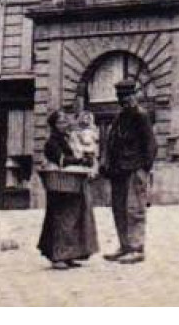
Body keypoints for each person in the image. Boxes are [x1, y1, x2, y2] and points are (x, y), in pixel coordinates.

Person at [102, 80, 156, 264]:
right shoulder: (120, 117)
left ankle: (137, 248)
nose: (125, 101)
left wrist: (143, 168)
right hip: (118, 170)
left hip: (134, 169)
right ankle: (124, 245)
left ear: (134, 96)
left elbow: (151, 145)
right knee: (120, 209)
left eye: (127, 97)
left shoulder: (141, 116)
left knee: (135, 209)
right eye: (121, 98)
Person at [37, 109, 99, 269]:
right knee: (61, 220)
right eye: (61, 122)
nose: (65, 124)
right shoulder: (52, 142)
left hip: (70, 184)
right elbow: (62, 160)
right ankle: (57, 256)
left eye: (66, 121)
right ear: (54, 125)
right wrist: (80, 161)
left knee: (73, 220)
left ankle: (70, 254)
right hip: (60, 186)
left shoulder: (68, 138)